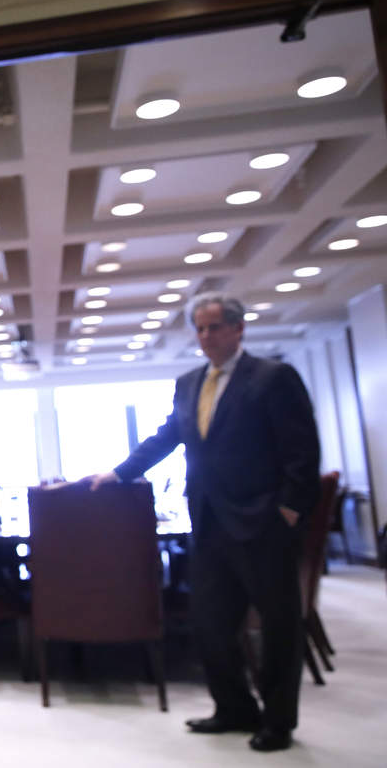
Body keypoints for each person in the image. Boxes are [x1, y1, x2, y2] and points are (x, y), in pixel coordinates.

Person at [83, 292, 319, 753]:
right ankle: (233, 708)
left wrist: (289, 510)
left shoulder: (272, 377)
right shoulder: (189, 383)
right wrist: (119, 472)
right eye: (200, 328)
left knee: (278, 627)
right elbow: (167, 436)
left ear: (238, 329)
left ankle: (278, 722)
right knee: (210, 623)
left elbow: (302, 451)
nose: (206, 336)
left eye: (214, 327)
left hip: (262, 524)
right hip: (209, 523)